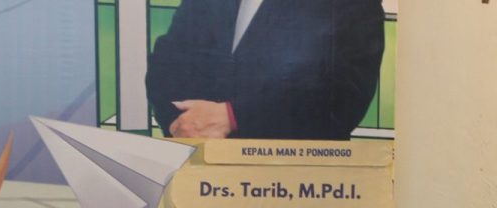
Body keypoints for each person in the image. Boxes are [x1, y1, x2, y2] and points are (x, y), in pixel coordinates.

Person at [144, 0, 385, 141]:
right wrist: (181, 122)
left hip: (296, 187)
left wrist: (234, 117)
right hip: (199, 174)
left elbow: (344, 97)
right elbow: (167, 64)